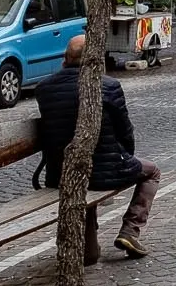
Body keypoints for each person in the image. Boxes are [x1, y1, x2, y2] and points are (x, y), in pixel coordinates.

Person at [30, 34, 163, 258]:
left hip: (61, 173)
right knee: (152, 172)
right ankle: (130, 230)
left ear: (65, 58)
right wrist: (125, 156)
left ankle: (89, 251)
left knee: (84, 177)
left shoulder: (44, 88)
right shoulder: (109, 85)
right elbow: (125, 131)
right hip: (104, 172)